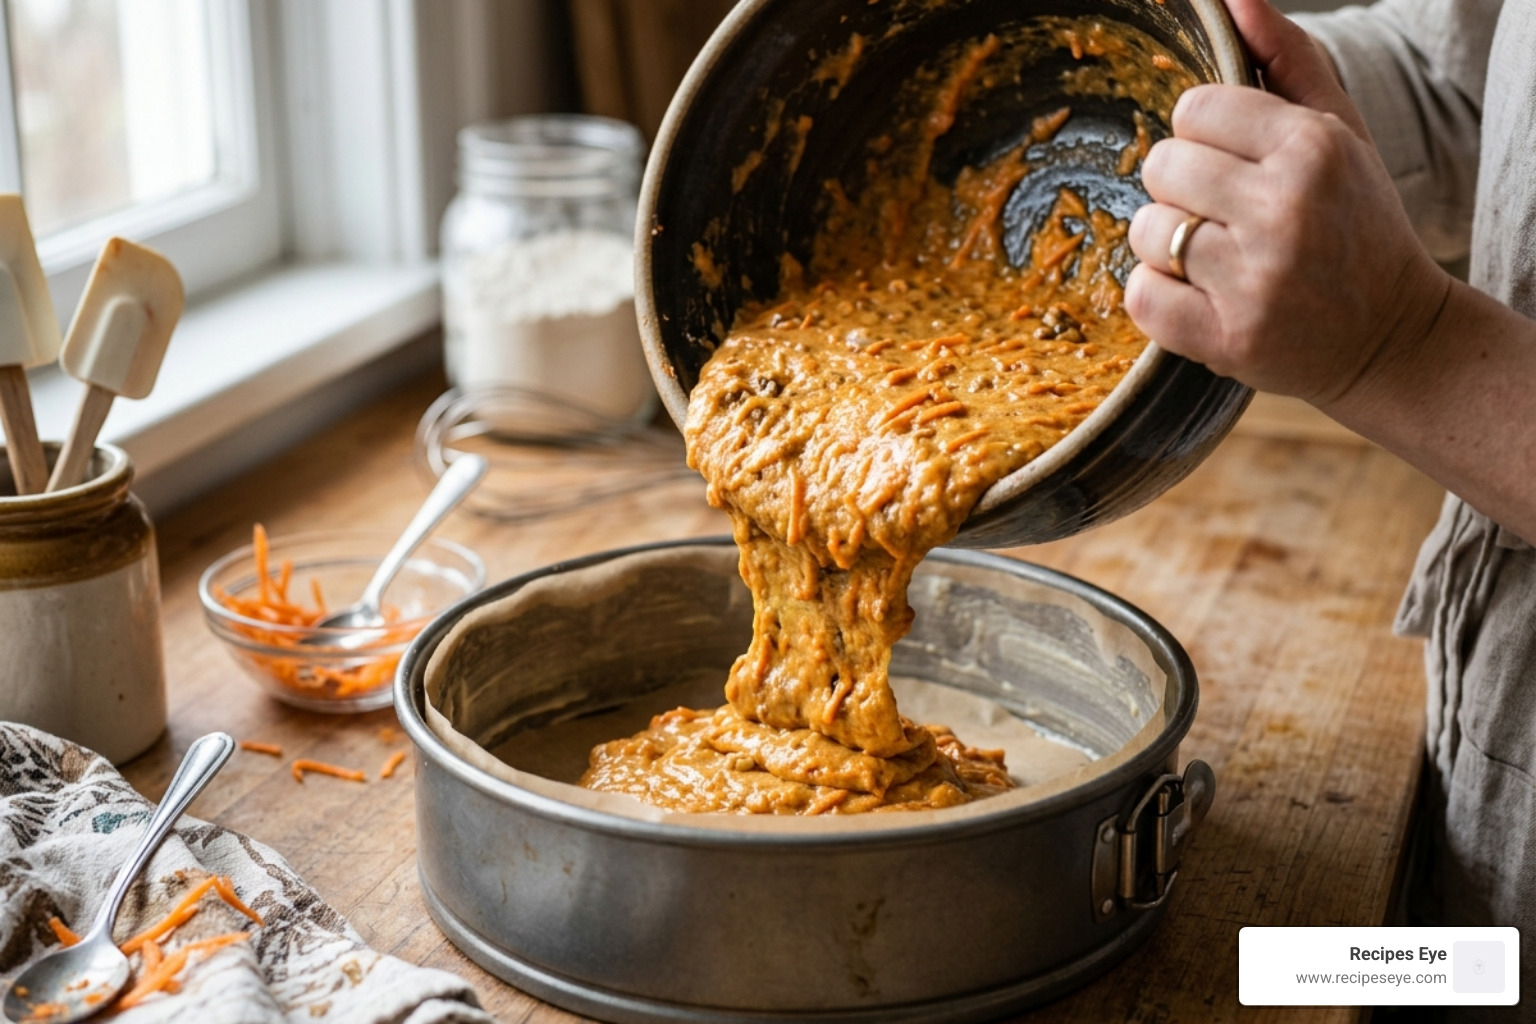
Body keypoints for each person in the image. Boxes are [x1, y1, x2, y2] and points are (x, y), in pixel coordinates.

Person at [1124, 0, 1536, 1017]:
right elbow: (1469, 89)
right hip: (1482, 899)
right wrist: (1171, 107)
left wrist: (1405, 342)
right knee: (1257, 971)